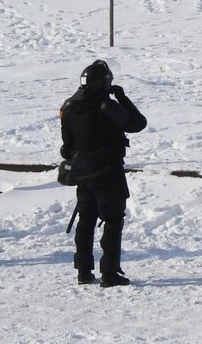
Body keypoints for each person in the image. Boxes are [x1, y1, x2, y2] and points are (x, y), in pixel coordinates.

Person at [59, 60, 148, 287]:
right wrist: (122, 98)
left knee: (85, 220)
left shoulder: (69, 106)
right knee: (113, 220)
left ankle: (83, 270)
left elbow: (66, 147)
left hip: (83, 173)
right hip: (108, 172)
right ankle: (109, 272)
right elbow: (137, 123)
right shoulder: (105, 105)